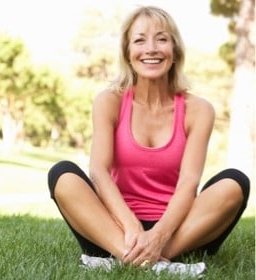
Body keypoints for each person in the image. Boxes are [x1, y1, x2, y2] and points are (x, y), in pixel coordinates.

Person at [47, 5, 250, 275]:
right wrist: (131, 227)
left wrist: (158, 236)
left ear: (175, 51)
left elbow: (189, 182)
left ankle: (129, 258)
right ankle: (147, 259)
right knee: (62, 175)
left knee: (235, 183)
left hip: (177, 229)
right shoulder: (109, 101)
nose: (151, 48)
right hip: (115, 226)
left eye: (162, 39)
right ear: (127, 53)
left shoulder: (198, 109)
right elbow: (99, 171)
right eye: (140, 40)